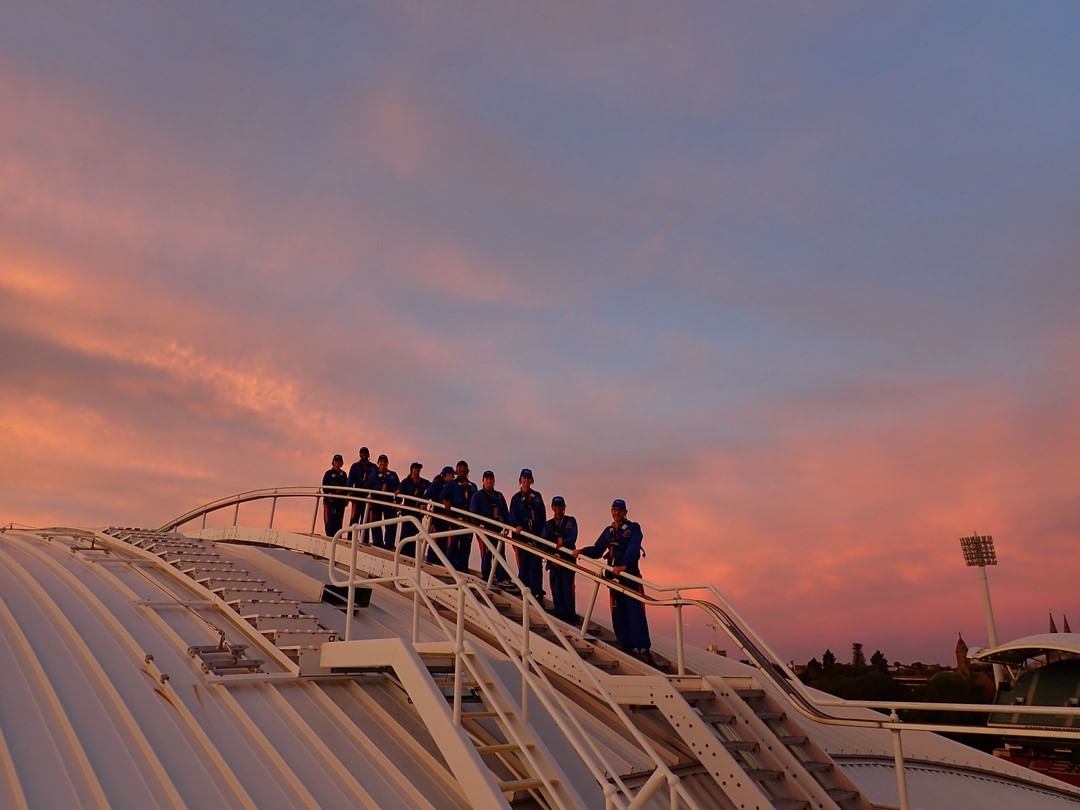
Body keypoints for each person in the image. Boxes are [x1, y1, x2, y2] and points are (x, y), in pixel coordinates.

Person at [574, 498, 652, 662]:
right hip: (613, 578)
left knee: (635, 611)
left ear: (625, 512)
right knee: (618, 611)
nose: (616, 513)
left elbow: (634, 548)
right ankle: (626, 644)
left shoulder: (633, 528)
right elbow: (597, 549)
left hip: (629, 576)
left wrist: (624, 565)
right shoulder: (609, 531)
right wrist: (581, 551)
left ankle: (643, 648)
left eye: (619, 510)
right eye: (614, 510)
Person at [509, 468, 546, 601]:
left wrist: (542, 536)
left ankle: (537, 592)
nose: (526, 480)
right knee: (523, 563)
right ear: (520, 480)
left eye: (528, 478)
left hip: (535, 535)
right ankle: (523, 590)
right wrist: (517, 526)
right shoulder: (516, 498)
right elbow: (512, 515)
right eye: (524, 478)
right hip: (522, 536)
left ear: (531, 480)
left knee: (536, 565)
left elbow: (542, 516)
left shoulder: (537, 497)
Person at [470, 470, 512, 587]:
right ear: (483, 481)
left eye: (491, 479)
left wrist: (507, 525)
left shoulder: (499, 496)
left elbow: (505, 512)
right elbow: (473, 512)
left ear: (494, 481)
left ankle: (501, 577)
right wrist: (478, 524)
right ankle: (487, 576)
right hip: (484, 530)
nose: (489, 481)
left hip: (497, 530)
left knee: (500, 554)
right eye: (487, 479)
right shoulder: (478, 495)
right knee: (486, 554)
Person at [542, 496, 578, 622]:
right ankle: (560, 615)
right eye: (556, 506)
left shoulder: (571, 521)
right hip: (553, 561)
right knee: (556, 589)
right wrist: (552, 556)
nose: (558, 508)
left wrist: (562, 546)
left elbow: (572, 537)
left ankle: (571, 617)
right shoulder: (548, 524)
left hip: (567, 561)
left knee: (568, 589)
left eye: (560, 506)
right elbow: (544, 542)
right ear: (552, 507)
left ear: (564, 507)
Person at [443, 460, 477, 571]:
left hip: (468, 521)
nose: (462, 469)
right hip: (455, 519)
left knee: (466, 547)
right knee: (452, 545)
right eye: (459, 467)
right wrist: (446, 502)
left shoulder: (473, 486)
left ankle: (463, 569)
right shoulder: (451, 484)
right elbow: (443, 496)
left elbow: (476, 503)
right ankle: (450, 569)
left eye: (464, 467)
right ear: (456, 470)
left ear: (467, 470)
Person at [424, 466, 456, 565]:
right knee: (436, 538)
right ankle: (431, 560)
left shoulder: (450, 486)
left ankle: (439, 561)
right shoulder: (437, 484)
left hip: (445, 517)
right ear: (446, 475)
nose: (453, 477)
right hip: (437, 516)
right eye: (452, 475)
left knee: (443, 539)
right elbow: (427, 495)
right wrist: (440, 501)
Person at [396, 462, 429, 557]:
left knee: (415, 534)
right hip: (408, 511)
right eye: (416, 469)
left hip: (418, 512)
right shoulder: (406, 481)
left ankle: (412, 555)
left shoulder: (423, 482)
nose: (417, 471)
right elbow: (398, 492)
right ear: (411, 470)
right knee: (405, 533)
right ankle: (402, 554)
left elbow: (431, 488)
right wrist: (398, 492)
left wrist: (424, 503)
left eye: (419, 469)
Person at [369, 454, 400, 549]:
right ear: (378, 463)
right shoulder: (373, 474)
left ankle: (389, 544)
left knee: (391, 523)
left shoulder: (393, 475)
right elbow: (367, 486)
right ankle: (378, 542)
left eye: (385, 461)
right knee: (375, 522)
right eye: (381, 461)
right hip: (377, 502)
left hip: (389, 501)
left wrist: (397, 501)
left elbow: (399, 487)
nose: (383, 463)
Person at [347, 446, 377, 529]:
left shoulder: (373, 467)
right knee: (354, 519)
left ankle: (364, 540)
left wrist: (374, 495)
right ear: (360, 454)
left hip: (368, 497)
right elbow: (350, 480)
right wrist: (349, 493)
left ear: (368, 454)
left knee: (365, 521)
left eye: (365, 452)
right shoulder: (355, 466)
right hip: (357, 497)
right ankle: (350, 539)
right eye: (362, 452)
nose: (364, 454)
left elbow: (376, 482)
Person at [321, 454, 349, 537]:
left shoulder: (343, 474)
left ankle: (338, 536)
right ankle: (329, 535)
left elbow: (346, 487)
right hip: (330, 501)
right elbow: (324, 486)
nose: (337, 463)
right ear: (333, 462)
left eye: (339, 461)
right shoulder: (328, 473)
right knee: (329, 521)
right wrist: (330, 494)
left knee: (338, 520)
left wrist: (346, 498)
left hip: (340, 502)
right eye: (336, 461)